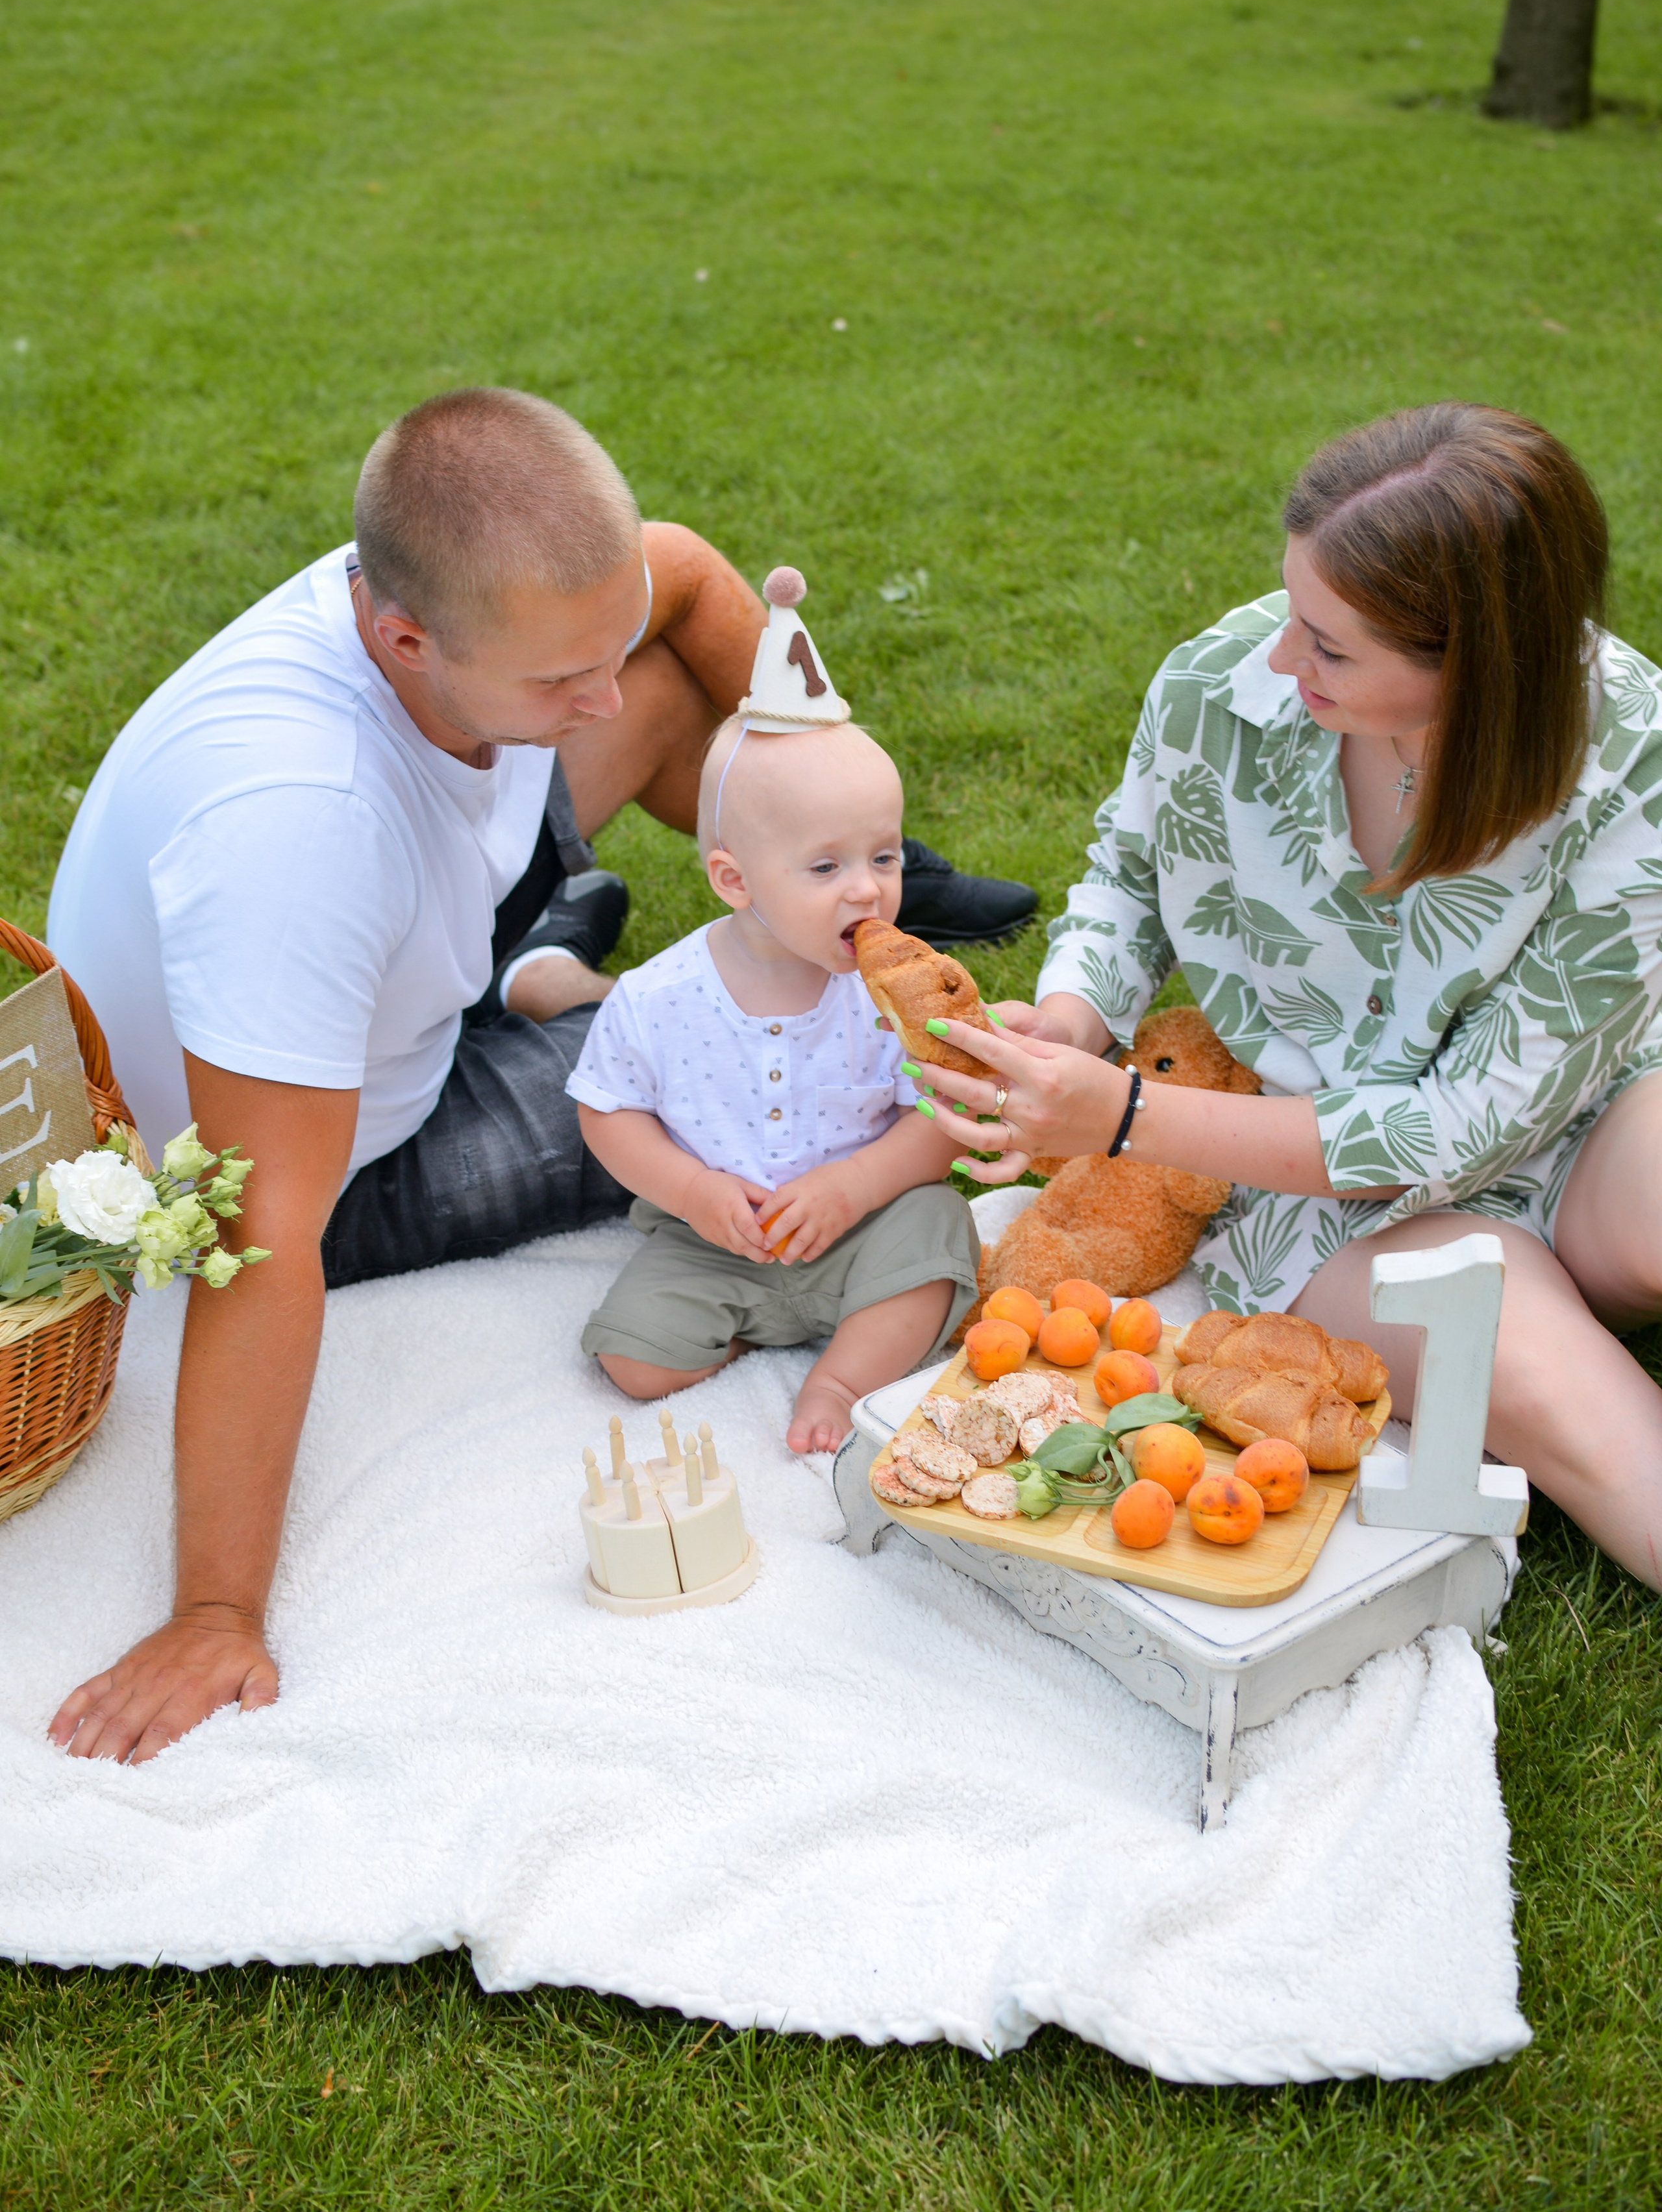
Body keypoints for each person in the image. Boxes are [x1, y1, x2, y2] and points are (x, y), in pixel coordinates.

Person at [42, 387, 1034, 1764]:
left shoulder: (493, 626)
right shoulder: (297, 826)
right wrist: (215, 1609)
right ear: (402, 635)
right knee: (762, 1072)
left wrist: (856, 868)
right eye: (561, 680)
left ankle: (724, 908)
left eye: (600, 644)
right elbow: (258, 1231)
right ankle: (574, 954)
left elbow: (678, 576)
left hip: (411, 937)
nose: (604, 700)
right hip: (357, 1135)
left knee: (696, 683)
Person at [917, 403, 1662, 1592]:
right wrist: (1074, 1021)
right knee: (1574, 1413)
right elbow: (1128, 880)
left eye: (1329, 646)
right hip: (1322, 1194)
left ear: (1474, 668)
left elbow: (1462, 1125)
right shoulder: (1224, 684)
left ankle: (1570, 1293)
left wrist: (1119, 1118)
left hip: (1584, 1113)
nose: (1279, 658)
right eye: (1292, 610)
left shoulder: (1632, 749)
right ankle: (1543, 1336)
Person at [572, 580, 978, 1454]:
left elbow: (944, 1115)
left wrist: (856, 1187)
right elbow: (607, 1109)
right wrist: (693, 1191)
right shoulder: (660, 998)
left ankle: (839, 1380)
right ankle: (754, 1322)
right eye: (825, 867)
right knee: (631, 1362)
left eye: (883, 856)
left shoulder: (895, 996)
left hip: (866, 1222)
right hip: (718, 1236)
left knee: (938, 1238)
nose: (869, 888)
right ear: (735, 880)